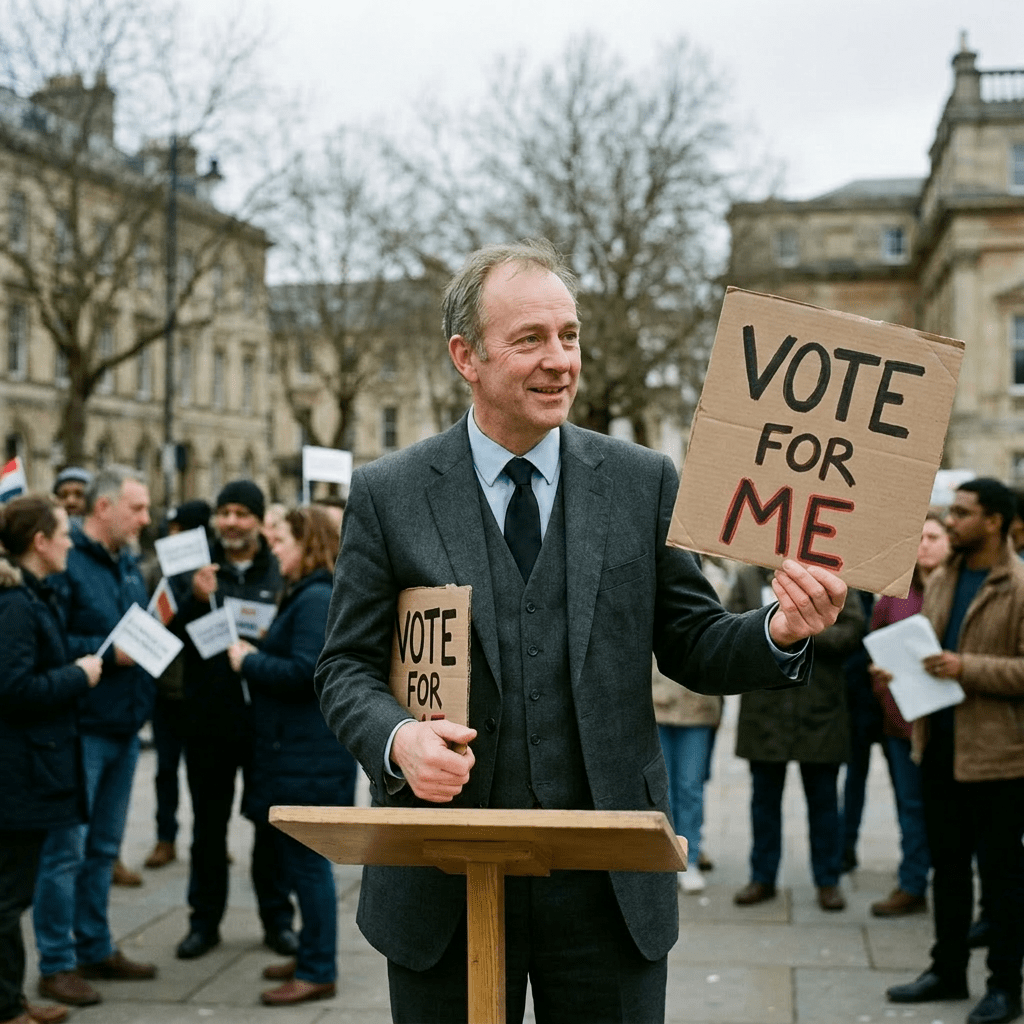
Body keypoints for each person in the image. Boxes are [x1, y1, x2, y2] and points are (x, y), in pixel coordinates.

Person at [314, 239, 847, 1023]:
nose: (560, 359)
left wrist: (780, 630)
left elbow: (694, 642)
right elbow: (344, 668)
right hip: (443, 887)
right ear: (466, 355)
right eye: (530, 339)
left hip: (607, 887)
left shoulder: (642, 481)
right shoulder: (390, 493)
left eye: (569, 335)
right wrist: (398, 741)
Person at [886, 479, 1024, 1024]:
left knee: (1001, 877)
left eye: (962, 513)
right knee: (947, 868)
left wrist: (967, 668)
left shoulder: (1017, 585)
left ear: (994, 521)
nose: (951, 520)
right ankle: (946, 970)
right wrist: (895, 666)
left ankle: (1004, 987)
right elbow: (926, 646)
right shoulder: (942, 576)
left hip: (998, 756)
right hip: (937, 745)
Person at [34, 466, 157, 1007]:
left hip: (124, 724)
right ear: (103, 508)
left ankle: (95, 945)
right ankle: (56, 962)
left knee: (104, 849)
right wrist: (111, 652)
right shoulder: (68, 561)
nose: (145, 519)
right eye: (137, 509)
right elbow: (51, 639)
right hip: (82, 728)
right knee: (67, 850)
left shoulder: (128, 561)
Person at [227, 506, 357, 1006]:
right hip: (299, 755)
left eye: (281, 540)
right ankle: (309, 952)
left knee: (308, 869)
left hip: (307, 759)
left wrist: (250, 660)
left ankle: (318, 968)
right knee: (300, 866)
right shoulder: (309, 595)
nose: (273, 548)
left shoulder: (316, 597)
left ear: (307, 545)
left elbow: (307, 672)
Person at [171, 481, 296, 961]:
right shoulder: (197, 571)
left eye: (242, 513)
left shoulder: (280, 569)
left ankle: (277, 919)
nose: (231, 522)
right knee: (208, 829)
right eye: (224, 512)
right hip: (209, 723)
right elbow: (173, 638)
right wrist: (195, 599)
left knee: (270, 826)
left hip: (266, 725)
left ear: (260, 521)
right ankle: (203, 922)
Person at [0, 496, 104, 1024]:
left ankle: (12, 1000)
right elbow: (12, 686)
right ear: (39, 542)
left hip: (32, 768)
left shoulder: (32, 594)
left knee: (10, 895)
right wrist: (78, 675)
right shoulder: (17, 603)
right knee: (6, 898)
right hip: (20, 775)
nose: (70, 540)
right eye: (62, 532)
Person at [729, 564, 865, 912]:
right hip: (766, 708)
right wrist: (772, 631)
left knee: (823, 803)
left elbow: (852, 631)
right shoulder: (749, 576)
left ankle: (828, 880)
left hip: (819, 708)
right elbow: (727, 628)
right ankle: (762, 877)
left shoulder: (831, 573)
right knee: (764, 802)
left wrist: (805, 629)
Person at [866, 512, 948, 917]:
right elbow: (875, 642)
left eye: (934, 536)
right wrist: (882, 680)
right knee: (910, 807)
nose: (925, 544)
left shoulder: (963, 588)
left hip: (955, 726)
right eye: (919, 537)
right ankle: (913, 883)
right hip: (902, 724)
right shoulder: (894, 596)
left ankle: (958, 889)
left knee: (954, 810)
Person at [142, 499, 212, 870]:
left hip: (202, 692)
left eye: (179, 529)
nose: (173, 536)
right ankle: (165, 837)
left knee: (203, 774)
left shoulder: (213, 570)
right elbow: (149, 620)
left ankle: (207, 835)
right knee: (165, 769)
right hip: (166, 689)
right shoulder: (157, 572)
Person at [651, 657, 722, 893]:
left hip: (697, 706)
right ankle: (663, 856)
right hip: (655, 700)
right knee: (662, 789)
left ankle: (689, 859)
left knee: (690, 788)